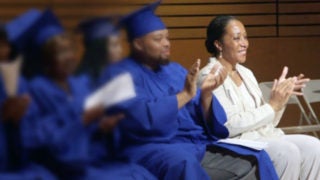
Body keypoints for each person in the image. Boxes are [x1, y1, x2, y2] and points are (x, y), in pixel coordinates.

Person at [99, 1, 278, 180]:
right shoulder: (120, 76)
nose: (166, 44)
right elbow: (139, 118)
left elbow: (208, 120)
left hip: (195, 144)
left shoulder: (175, 70)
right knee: (184, 163)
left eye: (167, 38)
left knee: (257, 156)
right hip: (151, 147)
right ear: (138, 44)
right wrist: (184, 95)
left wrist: (206, 95)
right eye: (158, 39)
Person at [11, 9, 155, 179]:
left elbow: (92, 130)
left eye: (71, 50)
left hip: (95, 158)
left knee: (142, 174)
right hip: (61, 166)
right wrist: (83, 121)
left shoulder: (80, 84)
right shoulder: (36, 90)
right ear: (46, 60)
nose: (70, 57)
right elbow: (43, 141)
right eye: (61, 52)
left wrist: (103, 127)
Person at [198, 15, 320, 180]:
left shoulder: (246, 73)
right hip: (233, 142)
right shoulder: (209, 75)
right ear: (218, 44)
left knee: (314, 146)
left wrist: (280, 100)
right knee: (287, 152)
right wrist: (271, 106)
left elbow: (268, 122)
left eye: (245, 37)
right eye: (236, 38)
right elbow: (228, 126)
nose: (244, 43)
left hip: (262, 137)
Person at [0, 17, 56, 179]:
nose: (3, 50)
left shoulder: (19, 82)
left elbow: (34, 131)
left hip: (19, 165)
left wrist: (16, 123)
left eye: (4, 44)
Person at [76, 16, 123, 83]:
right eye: (114, 45)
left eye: (119, 44)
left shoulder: (117, 73)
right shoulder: (81, 81)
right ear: (99, 49)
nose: (120, 50)